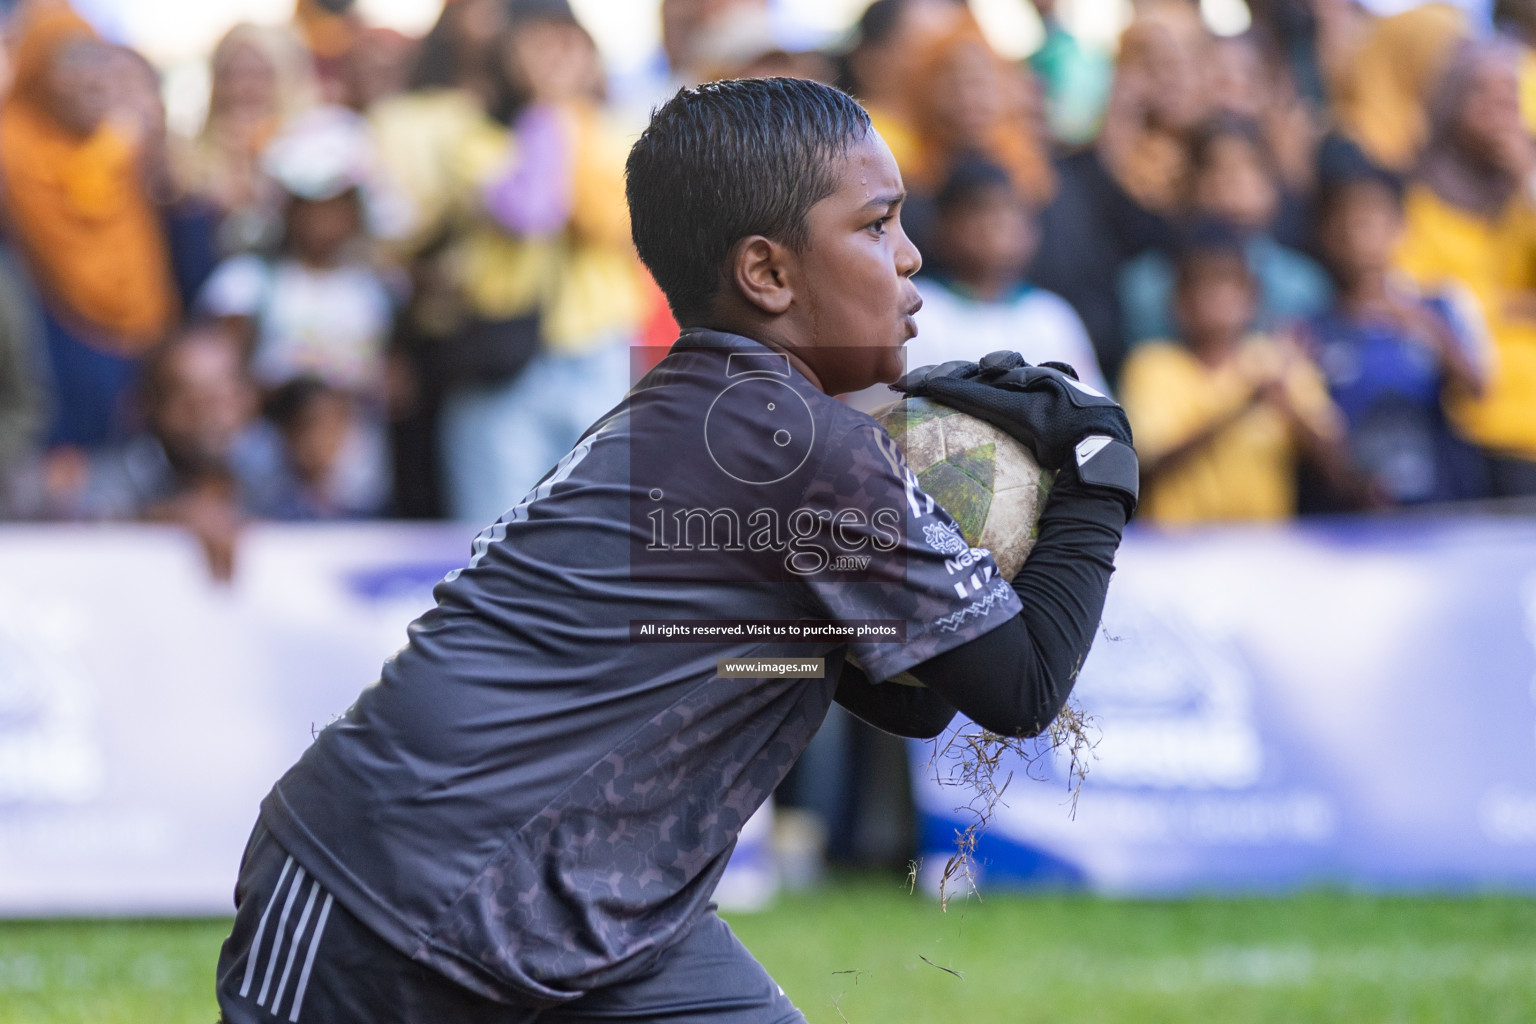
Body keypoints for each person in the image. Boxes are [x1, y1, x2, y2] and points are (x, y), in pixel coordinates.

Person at [213, 76, 1138, 1024]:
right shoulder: (802, 447)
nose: (910, 257)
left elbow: (922, 702)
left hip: (600, 912)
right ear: (768, 274)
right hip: (380, 897)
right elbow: (1020, 689)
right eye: (876, 226)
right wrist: (1100, 464)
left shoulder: (712, 409)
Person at [435, 1, 646, 524]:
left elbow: (614, 224)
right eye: (538, 44)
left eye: (567, 43)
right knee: (496, 537)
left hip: (597, 355)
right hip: (503, 362)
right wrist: (551, 110)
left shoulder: (620, 132)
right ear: (506, 55)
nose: (555, 59)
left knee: (599, 532)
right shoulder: (471, 136)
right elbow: (533, 211)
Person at [197, 106, 398, 517]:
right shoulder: (246, 284)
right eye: (312, 203)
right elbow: (220, 382)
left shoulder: (375, 289)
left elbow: (391, 380)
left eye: (338, 204)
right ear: (287, 207)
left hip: (357, 482)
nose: (325, 219)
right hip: (266, 481)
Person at [0, 2, 178, 450]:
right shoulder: (12, 150)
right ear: (37, 67)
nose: (90, 77)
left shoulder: (120, 145)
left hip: (138, 356)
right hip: (47, 366)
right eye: (70, 61)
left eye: (95, 58)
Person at [1121, 230, 1359, 526]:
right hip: (1174, 548)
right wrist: (1242, 406)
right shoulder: (1152, 364)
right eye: (1203, 287)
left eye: (1230, 286)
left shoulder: (1277, 360)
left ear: (1253, 297)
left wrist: (1290, 410)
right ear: (1179, 300)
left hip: (1263, 545)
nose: (1218, 299)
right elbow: (1146, 465)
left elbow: (1339, 469)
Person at [1300, 162, 1489, 505]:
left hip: (1438, 503)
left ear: (1400, 229)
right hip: (1349, 513)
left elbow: (1478, 389)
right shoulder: (1312, 329)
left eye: (1371, 221)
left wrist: (1426, 327)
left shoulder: (1441, 305)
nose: (1358, 234)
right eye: (1346, 222)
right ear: (1327, 235)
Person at [1395, 41, 1536, 495]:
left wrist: (1527, 178)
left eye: (1510, 96)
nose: (1500, 109)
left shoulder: (1525, 195)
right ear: (1451, 101)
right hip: (1470, 420)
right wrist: (1511, 307)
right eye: (1483, 93)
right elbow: (1418, 300)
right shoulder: (1417, 200)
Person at [49, 324, 283, 579]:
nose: (210, 416)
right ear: (148, 406)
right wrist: (161, 519)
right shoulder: (121, 475)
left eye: (223, 397)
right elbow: (83, 524)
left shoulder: (276, 470)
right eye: (191, 400)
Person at [1118, 117, 1332, 348]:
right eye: (1216, 169)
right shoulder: (1149, 286)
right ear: (1188, 185)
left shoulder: (1303, 287)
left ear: (1273, 187)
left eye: (1250, 168)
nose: (1233, 184)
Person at [905, 159, 1107, 394]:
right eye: (982, 209)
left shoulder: (1051, 316)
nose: (1002, 222)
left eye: (1013, 210)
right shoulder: (916, 311)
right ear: (941, 227)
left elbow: (1093, 417)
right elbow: (885, 419)